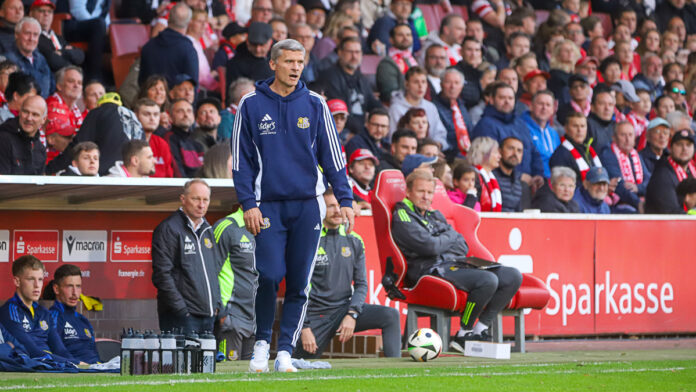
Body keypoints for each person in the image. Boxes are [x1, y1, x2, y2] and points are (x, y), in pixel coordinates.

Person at [231, 39, 354, 373]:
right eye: (289, 61)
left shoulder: (315, 104)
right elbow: (241, 163)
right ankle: (260, 346)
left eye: (300, 61)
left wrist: (345, 199)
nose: (296, 67)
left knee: (299, 282)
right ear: (273, 64)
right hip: (267, 207)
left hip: (307, 207)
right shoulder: (250, 104)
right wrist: (248, 204)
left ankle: (284, 351)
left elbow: (334, 158)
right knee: (269, 275)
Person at [391, 169, 522, 353]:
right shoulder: (402, 215)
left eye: (429, 192)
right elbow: (430, 247)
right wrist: (445, 238)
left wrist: (441, 239)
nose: (426, 196)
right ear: (409, 192)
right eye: (421, 191)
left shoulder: (433, 214)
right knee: (487, 280)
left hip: (452, 263)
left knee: (512, 276)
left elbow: (462, 245)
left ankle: (480, 329)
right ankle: (464, 333)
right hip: (430, 270)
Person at [295, 188, 401, 359]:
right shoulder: (309, 239)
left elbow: (361, 284)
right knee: (300, 366)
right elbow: (297, 286)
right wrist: (304, 327)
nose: (337, 210)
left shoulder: (355, 240)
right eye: (330, 206)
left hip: (343, 309)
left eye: (339, 205)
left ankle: (394, 373)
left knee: (390, 316)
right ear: (321, 208)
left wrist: (352, 314)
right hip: (316, 315)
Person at [152, 179, 222, 335]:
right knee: (181, 360)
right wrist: (181, 310)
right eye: (196, 199)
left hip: (208, 316)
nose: (201, 205)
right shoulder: (169, 228)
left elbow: (214, 271)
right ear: (183, 199)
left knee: (207, 360)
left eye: (205, 200)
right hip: (182, 317)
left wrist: (218, 305)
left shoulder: (207, 229)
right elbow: (162, 275)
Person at [0, 255, 77, 364]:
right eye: (31, 279)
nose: (37, 285)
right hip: (35, 364)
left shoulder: (44, 313)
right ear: (17, 281)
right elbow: (30, 350)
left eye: (40, 279)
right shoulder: (9, 311)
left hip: (53, 364)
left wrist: (77, 363)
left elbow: (60, 349)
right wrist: (70, 363)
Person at [46, 93, 144, 176]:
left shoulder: (97, 112)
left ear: (100, 104)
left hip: (110, 174)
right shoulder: (135, 118)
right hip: (137, 175)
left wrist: (50, 169)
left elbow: (79, 147)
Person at [471, 81, 545, 183]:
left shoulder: (520, 124)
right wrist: (518, 176)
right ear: (491, 100)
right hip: (500, 183)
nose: (507, 101)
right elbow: (488, 159)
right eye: (502, 98)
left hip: (525, 184)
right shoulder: (485, 125)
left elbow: (533, 151)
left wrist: (538, 175)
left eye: (510, 98)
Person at [213, 207, 259, 361]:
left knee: (251, 377)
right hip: (231, 316)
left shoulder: (270, 228)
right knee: (227, 373)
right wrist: (220, 312)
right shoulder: (227, 227)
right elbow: (210, 271)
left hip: (256, 318)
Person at [319, 37, 383, 134]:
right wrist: (364, 130)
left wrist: (383, 115)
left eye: (357, 52)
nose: (354, 56)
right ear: (340, 53)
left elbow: (372, 103)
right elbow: (340, 113)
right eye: (350, 52)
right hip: (344, 131)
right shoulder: (330, 76)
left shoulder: (361, 78)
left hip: (363, 130)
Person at [47, 264, 100, 364]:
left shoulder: (83, 321)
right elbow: (55, 353)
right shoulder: (51, 318)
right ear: (56, 289)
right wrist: (77, 364)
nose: (75, 293)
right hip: (76, 371)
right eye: (69, 286)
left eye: (78, 286)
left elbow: (94, 354)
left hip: (97, 369)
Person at [139, 2, 199, 91]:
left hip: (150, 102)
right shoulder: (188, 51)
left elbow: (141, 82)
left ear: (168, 19)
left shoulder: (148, 46)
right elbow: (192, 89)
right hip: (176, 104)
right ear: (189, 23)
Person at [388, 66, 448, 150]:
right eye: (416, 82)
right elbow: (392, 138)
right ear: (406, 84)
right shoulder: (395, 109)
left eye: (423, 82)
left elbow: (440, 134)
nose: (420, 86)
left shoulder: (431, 107)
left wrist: (436, 145)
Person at [600, 122, 651, 213]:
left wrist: (638, 188)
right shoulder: (608, 154)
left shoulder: (636, 155)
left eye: (630, 135)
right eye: (623, 135)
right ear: (614, 138)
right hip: (618, 206)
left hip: (639, 201)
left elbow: (649, 180)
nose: (627, 139)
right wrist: (638, 203)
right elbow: (619, 185)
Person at [645, 130, 696, 214]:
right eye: (679, 144)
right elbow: (671, 212)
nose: (684, 149)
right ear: (670, 149)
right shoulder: (662, 175)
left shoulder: (692, 171)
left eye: (688, 145)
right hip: (663, 225)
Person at [30, 0, 84, 73]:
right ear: (31, 14)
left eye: (50, 11)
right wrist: (70, 62)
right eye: (41, 11)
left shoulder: (58, 37)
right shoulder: (33, 37)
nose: (46, 14)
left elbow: (80, 55)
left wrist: (62, 52)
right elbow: (52, 60)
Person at [5, 17, 53, 98]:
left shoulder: (41, 58)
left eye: (35, 35)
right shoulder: (7, 59)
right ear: (16, 35)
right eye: (27, 33)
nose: (31, 39)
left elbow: (51, 86)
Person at [549, 111, 603, 181]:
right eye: (575, 126)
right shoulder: (560, 155)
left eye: (582, 126)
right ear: (566, 129)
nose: (579, 130)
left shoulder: (588, 150)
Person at [433, 68, 474, 158]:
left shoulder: (461, 105)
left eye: (456, 83)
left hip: (467, 154)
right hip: (449, 156)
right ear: (441, 84)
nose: (453, 87)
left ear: (461, 87)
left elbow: (470, 132)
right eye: (448, 82)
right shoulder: (434, 107)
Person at [0, 94, 46, 175]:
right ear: (20, 112)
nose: (29, 118)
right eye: (25, 112)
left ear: (44, 119)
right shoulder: (3, 138)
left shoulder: (40, 149)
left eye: (35, 114)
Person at [521, 90, 561, 178]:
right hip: (533, 181)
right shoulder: (521, 128)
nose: (544, 108)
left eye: (548, 105)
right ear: (531, 106)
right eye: (540, 104)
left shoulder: (553, 133)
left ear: (553, 110)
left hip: (553, 182)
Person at [225, 22, 274, 89]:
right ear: (247, 42)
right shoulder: (235, 64)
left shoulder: (279, 57)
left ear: (270, 42)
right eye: (254, 45)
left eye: (262, 45)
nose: (258, 49)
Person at [375, 23, 417, 103]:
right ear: (391, 40)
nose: (405, 38)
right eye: (401, 35)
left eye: (408, 35)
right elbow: (389, 94)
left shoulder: (412, 59)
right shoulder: (387, 63)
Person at [134, 98, 174, 178]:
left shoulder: (162, 144)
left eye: (156, 114)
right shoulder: (127, 141)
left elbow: (169, 177)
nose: (152, 118)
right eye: (146, 114)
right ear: (135, 116)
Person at [164, 98, 204, 178]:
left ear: (193, 117)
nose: (186, 115)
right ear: (170, 117)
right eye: (180, 111)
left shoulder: (197, 144)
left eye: (189, 111)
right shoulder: (169, 138)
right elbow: (177, 170)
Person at [493, 136, 532, 212]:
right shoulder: (490, 177)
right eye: (510, 148)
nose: (515, 153)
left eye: (519, 151)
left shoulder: (522, 184)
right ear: (500, 151)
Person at [46, 66, 84, 131]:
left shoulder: (75, 109)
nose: (76, 85)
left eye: (79, 83)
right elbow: (59, 138)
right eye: (71, 81)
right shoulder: (52, 105)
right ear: (59, 86)